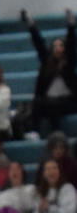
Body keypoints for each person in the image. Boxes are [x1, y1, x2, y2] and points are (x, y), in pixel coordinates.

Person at [24, 9, 77, 138]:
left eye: (61, 46)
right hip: (49, 101)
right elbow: (39, 44)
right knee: (37, 102)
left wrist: (71, 26)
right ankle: (35, 132)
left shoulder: (69, 64)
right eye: (56, 46)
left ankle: (56, 132)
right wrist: (31, 25)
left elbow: (71, 45)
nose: (59, 48)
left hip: (68, 101)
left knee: (54, 104)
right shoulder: (47, 64)